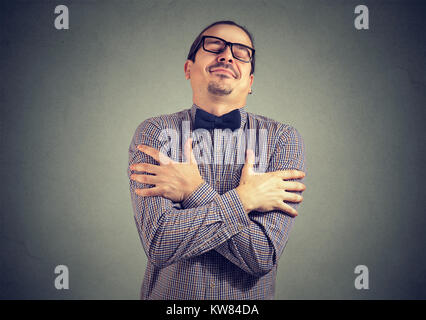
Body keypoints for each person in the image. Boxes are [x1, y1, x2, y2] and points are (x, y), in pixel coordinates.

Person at [128, 20, 306, 300]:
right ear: (189, 69)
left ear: (250, 82)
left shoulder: (282, 139)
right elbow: (160, 242)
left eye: (241, 52)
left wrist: (193, 192)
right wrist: (246, 199)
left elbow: (261, 256)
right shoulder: (155, 133)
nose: (227, 55)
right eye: (214, 46)